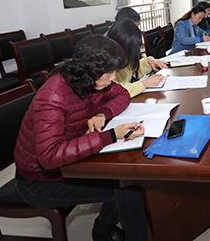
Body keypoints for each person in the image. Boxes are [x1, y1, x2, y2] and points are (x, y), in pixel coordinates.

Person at [14, 35, 149, 241]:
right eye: (109, 73)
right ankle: (104, 233)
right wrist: (110, 135)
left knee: (128, 178)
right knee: (127, 189)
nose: (113, 78)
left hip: (71, 163)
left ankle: (102, 231)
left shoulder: (91, 81)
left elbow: (122, 94)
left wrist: (102, 113)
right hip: (39, 180)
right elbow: (49, 156)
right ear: (89, 71)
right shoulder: (53, 96)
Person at [106, 19, 168, 97]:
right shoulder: (105, 65)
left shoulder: (126, 56)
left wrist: (148, 62)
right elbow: (114, 92)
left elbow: (134, 69)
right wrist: (144, 84)